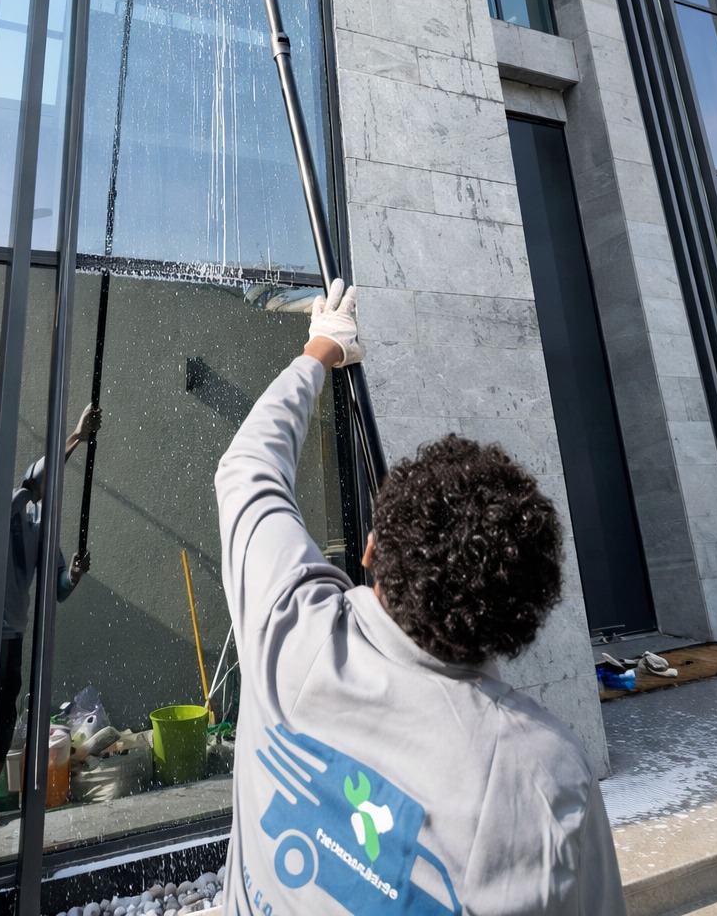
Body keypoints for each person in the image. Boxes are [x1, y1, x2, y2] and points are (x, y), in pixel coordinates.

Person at [215, 280, 626, 915]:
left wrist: (320, 350)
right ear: (522, 616)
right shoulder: (545, 787)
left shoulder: (289, 629)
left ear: (371, 550)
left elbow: (248, 468)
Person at [0, 404, 101, 823]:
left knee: (1, 720)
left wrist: (73, 575)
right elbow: (32, 482)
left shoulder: (45, 530)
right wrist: (75, 437)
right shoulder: (7, 507)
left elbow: (56, 591)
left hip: (10, 635)